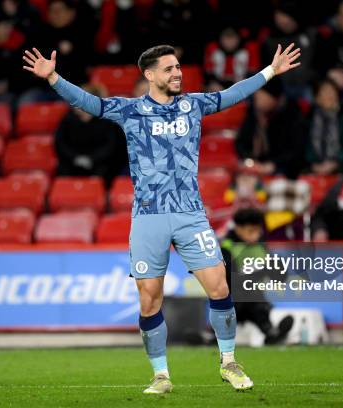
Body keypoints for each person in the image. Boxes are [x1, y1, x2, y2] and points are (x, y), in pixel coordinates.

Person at [23, 42, 301, 393]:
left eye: (178, 67)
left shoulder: (194, 105)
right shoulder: (131, 111)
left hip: (190, 214)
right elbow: (90, 104)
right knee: (149, 298)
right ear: (150, 75)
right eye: (169, 69)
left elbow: (234, 93)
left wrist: (270, 71)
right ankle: (161, 375)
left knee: (219, 286)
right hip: (148, 217)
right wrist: (54, 79)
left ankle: (229, 361)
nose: (177, 73)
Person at [221, 208, 294, 345]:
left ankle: (271, 332)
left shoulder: (261, 247)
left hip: (255, 297)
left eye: (257, 230)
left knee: (258, 305)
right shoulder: (227, 248)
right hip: (232, 299)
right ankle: (215, 337)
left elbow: (278, 277)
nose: (255, 235)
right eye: (250, 231)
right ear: (238, 229)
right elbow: (230, 279)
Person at [54, 84, 127, 185]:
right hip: (72, 164)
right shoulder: (68, 119)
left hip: (101, 165)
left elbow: (112, 147)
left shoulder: (108, 121)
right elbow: (61, 143)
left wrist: (92, 159)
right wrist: (75, 158)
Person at [235, 81, 306, 179]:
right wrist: (250, 159)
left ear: (274, 99)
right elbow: (241, 143)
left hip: (284, 171)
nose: (258, 99)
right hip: (256, 167)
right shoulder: (253, 112)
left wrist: (274, 165)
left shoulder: (291, 115)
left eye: (263, 96)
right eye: (257, 95)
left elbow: (295, 151)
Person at [304, 78, 343, 174]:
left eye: (332, 92)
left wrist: (335, 163)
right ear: (316, 98)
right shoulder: (309, 117)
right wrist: (314, 165)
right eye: (324, 92)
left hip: (341, 165)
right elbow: (305, 145)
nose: (329, 95)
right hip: (314, 166)